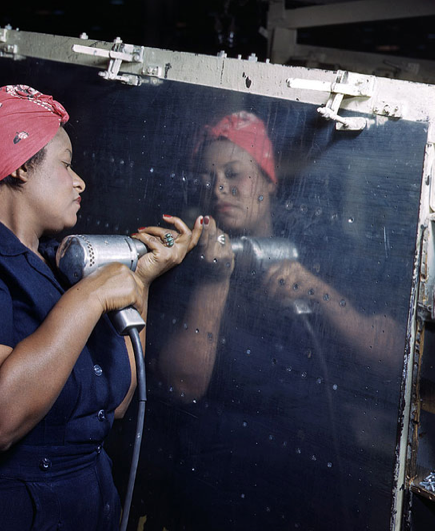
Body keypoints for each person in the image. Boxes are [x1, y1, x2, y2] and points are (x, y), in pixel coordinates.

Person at [0, 84, 204, 530]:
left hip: (91, 508)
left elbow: (118, 403)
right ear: (21, 166)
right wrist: (91, 296)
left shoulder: (54, 266)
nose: (80, 180)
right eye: (65, 164)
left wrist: (139, 281)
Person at [147, 111, 405, 530]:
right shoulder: (185, 261)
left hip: (316, 476)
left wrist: (319, 293)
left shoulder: (321, 245)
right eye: (207, 178)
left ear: (269, 180)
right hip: (221, 480)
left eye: (234, 173)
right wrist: (214, 279)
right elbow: (182, 384)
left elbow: (393, 358)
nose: (219, 188)